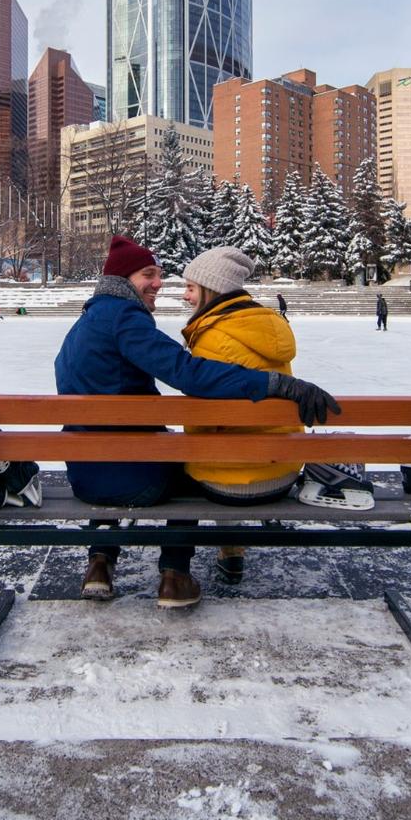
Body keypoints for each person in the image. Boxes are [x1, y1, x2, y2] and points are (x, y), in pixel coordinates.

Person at [56, 236, 339, 610]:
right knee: (190, 464)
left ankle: (100, 563)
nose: (159, 283)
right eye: (148, 274)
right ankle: (175, 575)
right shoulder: (124, 319)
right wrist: (274, 383)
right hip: (130, 477)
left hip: (84, 475)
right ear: (123, 279)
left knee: (132, 450)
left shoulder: (86, 323)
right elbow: (187, 372)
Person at [179, 246, 304, 587]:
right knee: (235, 451)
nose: (185, 296)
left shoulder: (210, 339)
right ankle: (232, 549)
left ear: (211, 289)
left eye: (191, 288)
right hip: (282, 472)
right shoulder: (271, 327)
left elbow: (199, 425)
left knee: (204, 458)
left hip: (227, 485)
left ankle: (217, 554)